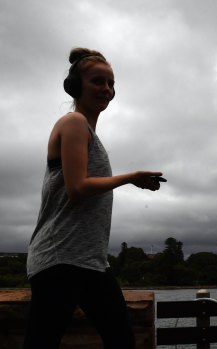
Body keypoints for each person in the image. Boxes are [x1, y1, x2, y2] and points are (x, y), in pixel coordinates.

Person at [23, 47, 163, 349]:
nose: (107, 89)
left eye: (111, 84)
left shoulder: (88, 133)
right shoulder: (73, 123)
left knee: (122, 341)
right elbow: (77, 188)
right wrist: (130, 178)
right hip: (60, 259)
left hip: (90, 262)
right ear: (76, 87)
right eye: (98, 81)